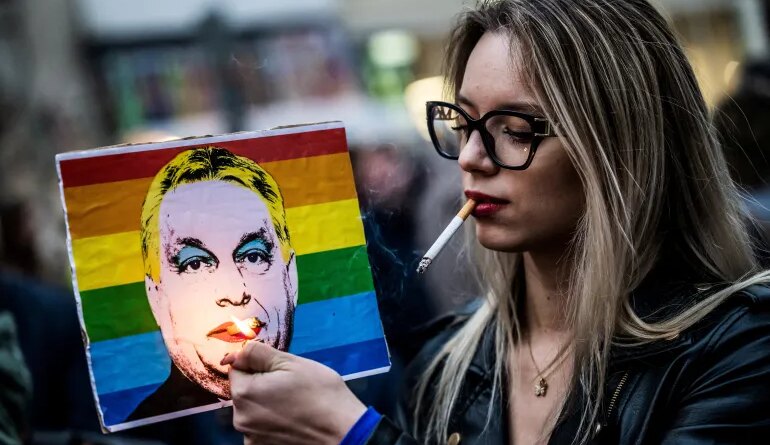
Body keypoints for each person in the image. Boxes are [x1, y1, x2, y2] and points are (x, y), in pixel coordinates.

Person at [223, 0, 770, 444]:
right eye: (463, 121)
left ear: (621, 148)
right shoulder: (449, 366)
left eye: (516, 128)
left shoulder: (736, 351)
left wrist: (359, 437)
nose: (470, 157)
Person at [131, 146, 298, 420]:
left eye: (253, 256)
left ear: (290, 277)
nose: (234, 293)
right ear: (156, 298)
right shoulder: (144, 435)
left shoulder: (352, 399)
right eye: (195, 264)